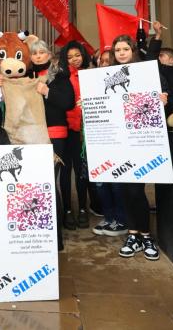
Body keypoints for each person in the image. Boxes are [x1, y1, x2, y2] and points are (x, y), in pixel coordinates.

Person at [110, 35, 169, 260]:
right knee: (125, 190)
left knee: (136, 190)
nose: (121, 53)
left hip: (140, 141)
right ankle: (133, 235)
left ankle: (145, 236)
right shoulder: (106, 76)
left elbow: (167, 95)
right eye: (117, 50)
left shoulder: (147, 72)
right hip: (117, 142)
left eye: (125, 49)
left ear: (133, 50)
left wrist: (164, 100)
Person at [33, 40, 75, 250]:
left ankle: (55, 237)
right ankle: (36, 231)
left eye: (42, 52)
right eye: (35, 53)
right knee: (34, 184)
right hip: (31, 136)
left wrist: (47, 92)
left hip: (54, 135)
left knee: (51, 183)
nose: (38, 56)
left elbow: (68, 101)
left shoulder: (59, 75)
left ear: (49, 55)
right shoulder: (25, 75)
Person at [58, 41, 100, 229]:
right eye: (69, 56)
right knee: (66, 172)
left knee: (82, 171)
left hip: (86, 130)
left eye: (77, 55)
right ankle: (67, 210)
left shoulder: (93, 76)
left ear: (83, 55)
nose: (74, 59)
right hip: (66, 130)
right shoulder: (60, 76)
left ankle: (82, 208)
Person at [91, 50, 128, 237]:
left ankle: (121, 219)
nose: (104, 64)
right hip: (97, 141)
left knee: (116, 183)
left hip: (117, 141)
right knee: (100, 183)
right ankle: (109, 216)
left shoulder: (121, 83)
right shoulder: (92, 82)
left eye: (108, 60)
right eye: (101, 61)